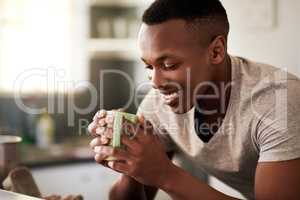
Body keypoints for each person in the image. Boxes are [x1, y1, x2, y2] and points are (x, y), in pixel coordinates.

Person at [88, 0, 300, 199]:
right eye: (149, 66)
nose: (155, 82)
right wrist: (128, 160)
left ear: (216, 51)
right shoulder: (159, 103)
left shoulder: (278, 100)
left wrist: (164, 173)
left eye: (169, 65)